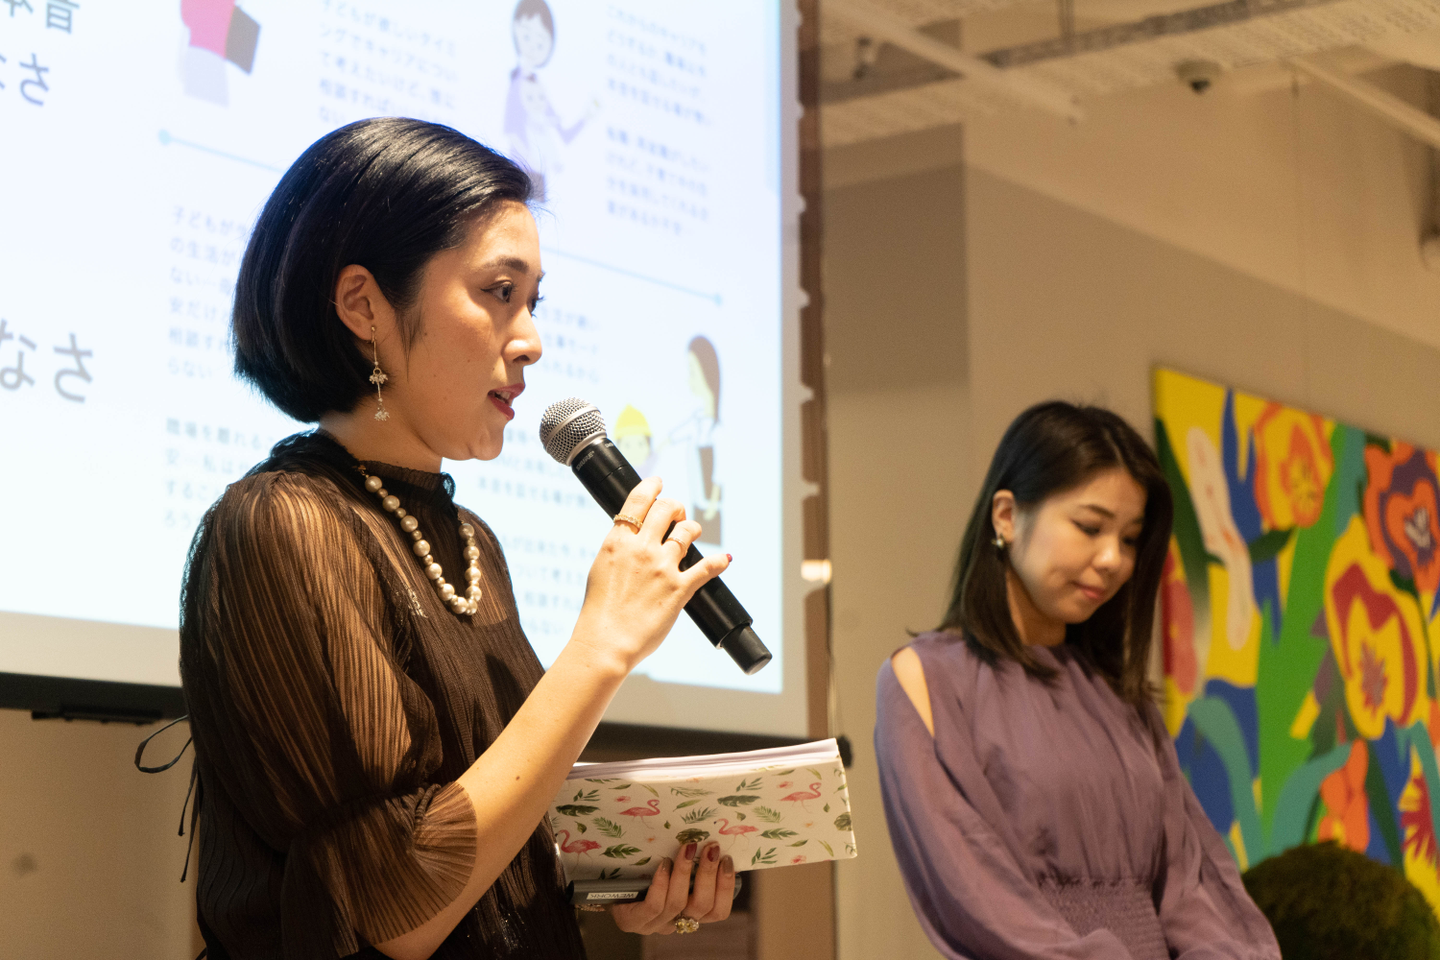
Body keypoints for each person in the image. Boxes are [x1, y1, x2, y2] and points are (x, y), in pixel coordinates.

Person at [179, 117, 736, 960]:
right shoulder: (282, 524)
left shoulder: (472, 543)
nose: (531, 341)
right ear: (363, 305)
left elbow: (485, 854)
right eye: (498, 292)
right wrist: (602, 647)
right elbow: (398, 908)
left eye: (534, 302)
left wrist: (614, 886)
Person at [875, 402, 1281, 960]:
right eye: (1089, 527)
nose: (1113, 559)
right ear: (1006, 517)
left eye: (1130, 539)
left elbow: (1188, 880)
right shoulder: (926, 679)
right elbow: (978, 897)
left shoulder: (1117, 693)